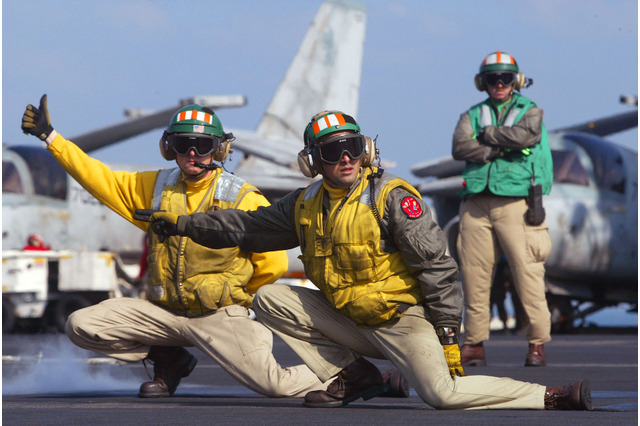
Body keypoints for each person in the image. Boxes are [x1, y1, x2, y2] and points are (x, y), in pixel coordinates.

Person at [135, 110, 590, 410]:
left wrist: (450, 335)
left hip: (402, 320)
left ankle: (551, 397)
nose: (347, 157)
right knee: (272, 297)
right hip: (351, 322)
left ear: (366, 150)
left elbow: (437, 268)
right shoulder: (306, 203)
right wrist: (180, 224)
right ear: (314, 161)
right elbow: (244, 227)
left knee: (444, 395)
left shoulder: (390, 198)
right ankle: (354, 376)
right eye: (332, 152)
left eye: (353, 147)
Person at [20, 95, 336, 400]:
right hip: (163, 315)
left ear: (220, 149)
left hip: (219, 317)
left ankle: (342, 375)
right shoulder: (154, 188)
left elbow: (274, 264)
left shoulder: (243, 198)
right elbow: (98, 177)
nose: (194, 153)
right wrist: (51, 138)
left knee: (275, 385)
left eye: (204, 146)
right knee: (82, 325)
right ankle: (170, 359)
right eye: (184, 145)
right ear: (169, 148)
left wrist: (235, 299)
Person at [452, 51, 554, 367]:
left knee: (529, 272)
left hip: (516, 203)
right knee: (473, 275)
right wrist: (501, 147)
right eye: (493, 78)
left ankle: (537, 343)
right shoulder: (472, 113)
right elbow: (459, 147)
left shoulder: (531, 111)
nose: (499, 83)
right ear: (482, 83)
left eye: (505, 78)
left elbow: (527, 135)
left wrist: (486, 138)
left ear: (516, 81)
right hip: (476, 202)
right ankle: (474, 343)